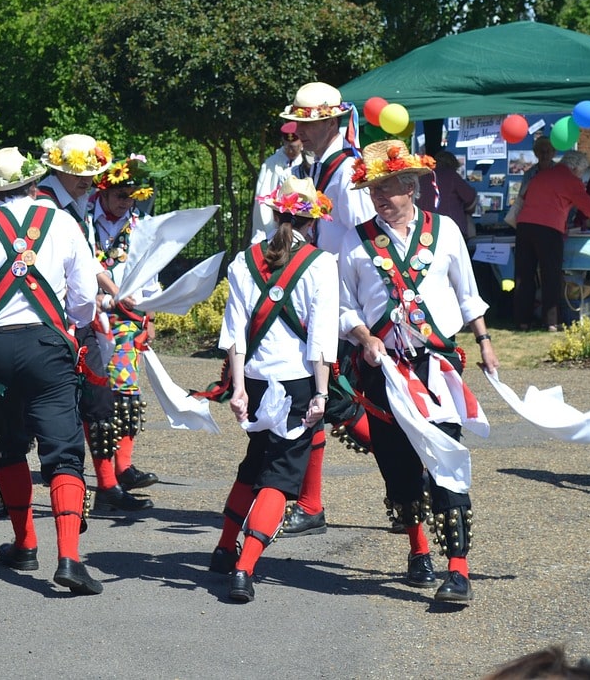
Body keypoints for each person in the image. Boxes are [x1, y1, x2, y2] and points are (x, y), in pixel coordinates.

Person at [339, 139, 499, 604]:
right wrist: (365, 338)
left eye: (389, 188)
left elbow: (468, 294)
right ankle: (418, 549)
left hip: (437, 368)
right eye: (373, 191)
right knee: (399, 464)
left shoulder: (445, 230)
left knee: (446, 461)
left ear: (411, 186)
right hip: (384, 369)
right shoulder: (356, 239)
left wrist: (484, 341)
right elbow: (345, 306)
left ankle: (459, 570)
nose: (381, 198)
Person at [0, 147, 104, 595]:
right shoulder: (64, 222)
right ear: (35, 185)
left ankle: (24, 543)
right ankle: (70, 559)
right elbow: (84, 298)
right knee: (62, 450)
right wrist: (67, 328)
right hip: (47, 346)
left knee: (11, 444)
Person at [211, 177, 338, 602]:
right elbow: (321, 340)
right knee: (281, 477)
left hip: (258, 379)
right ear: (312, 219)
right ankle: (244, 569)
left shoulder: (244, 261)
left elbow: (234, 335)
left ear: (274, 212)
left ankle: (224, 547)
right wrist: (321, 394)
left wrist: (238, 389)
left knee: (254, 462)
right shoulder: (320, 263)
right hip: (298, 381)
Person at [279, 81, 374, 537]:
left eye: (312, 123)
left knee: (333, 399)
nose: (301, 129)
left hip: (340, 298)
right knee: (323, 399)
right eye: (301, 121)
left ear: (333, 122)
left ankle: (411, 481)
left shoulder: (348, 169)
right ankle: (311, 501)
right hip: (319, 293)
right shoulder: (318, 166)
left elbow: (359, 239)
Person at [87, 155, 163, 511]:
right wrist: (100, 298)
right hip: (86, 317)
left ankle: (121, 470)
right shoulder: (84, 220)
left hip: (126, 319)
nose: (126, 199)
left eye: (132, 193)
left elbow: (151, 274)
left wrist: (145, 313)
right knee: (96, 399)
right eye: (119, 192)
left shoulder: (142, 226)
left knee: (126, 393)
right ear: (104, 189)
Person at [513, 150, 590, 331]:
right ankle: (551, 322)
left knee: (524, 275)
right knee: (551, 275)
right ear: (576, 168)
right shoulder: (571, 181)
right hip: (548, 230)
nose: (580, 175)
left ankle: (522, 321)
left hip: (524, 227)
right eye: (581, 172)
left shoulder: (541, 175)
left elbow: (524, 197)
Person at [250, 122, 303, 239]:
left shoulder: (307, 163)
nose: (290, 151)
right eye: (288, 147)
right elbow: (262, 194)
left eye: (294, 147)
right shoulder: (271, 163)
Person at [417, 149, 478, 239]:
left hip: (425, 228)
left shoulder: (422, 177)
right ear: (453, 164)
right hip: (450, 228)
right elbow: (470, 197)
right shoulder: (452, 175)